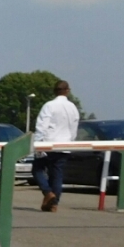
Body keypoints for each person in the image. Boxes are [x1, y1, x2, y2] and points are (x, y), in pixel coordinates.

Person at [32, 80, 79, 212]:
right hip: (65, 144)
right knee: (57, 175)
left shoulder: (49, 105)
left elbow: (42, 125)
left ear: (54, 91)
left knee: (37, 169)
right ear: (67, 91)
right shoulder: (73, 108)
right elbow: (74, 127)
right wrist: (71, 141)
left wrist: (38, 142)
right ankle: (54, 204)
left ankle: (48, 193)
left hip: (49, 143)